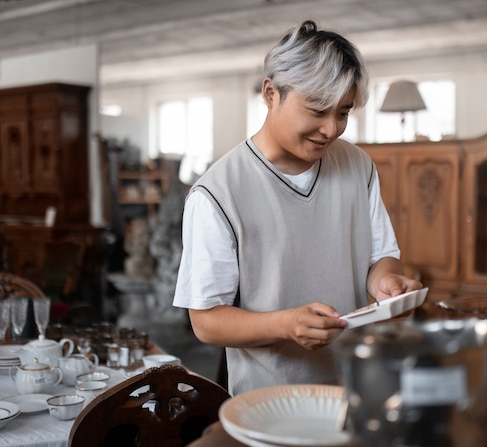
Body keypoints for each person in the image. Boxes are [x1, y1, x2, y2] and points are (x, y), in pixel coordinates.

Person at [172, 19, 422, 396]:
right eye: (318, 109)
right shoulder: (217, 194)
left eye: (343, 112)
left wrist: (385, 283)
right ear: (271, 93)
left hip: (353, 385)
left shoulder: (358, 166)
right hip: (269, 399)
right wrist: (287, 324)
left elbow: (381, 256)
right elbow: (206, 321)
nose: (331, 129)